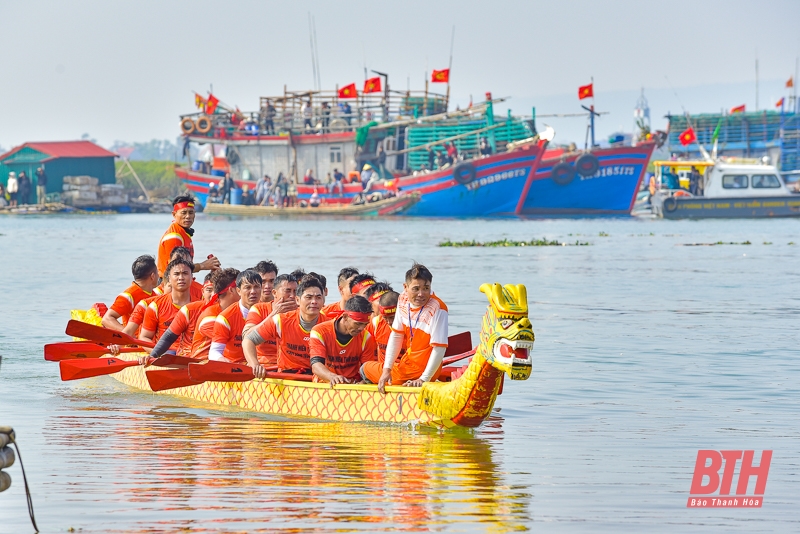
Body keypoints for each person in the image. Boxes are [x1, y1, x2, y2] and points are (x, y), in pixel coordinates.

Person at [361, 263, 448, 392]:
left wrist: (423, 379)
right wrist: (387, 370)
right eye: (416, 288)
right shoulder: (402, 300)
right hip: (407, 366)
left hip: (421, 372)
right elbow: (396, 336)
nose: (421, 294)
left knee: (364, 368)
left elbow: (439, 348)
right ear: (405, 287)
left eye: (426, 288)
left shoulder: (438, 308)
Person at [243, 275, 327, 377]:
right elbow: (248, 339)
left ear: (324, 301)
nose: (314, 302)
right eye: (309, 298)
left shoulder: (330, 325)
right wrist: (254, 364)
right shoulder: (281, 320)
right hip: (287, 376)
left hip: (318, 376)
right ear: (298, 300)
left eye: (318, 298)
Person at [309, 295, 377, 385]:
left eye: (365, 324)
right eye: (358, 324)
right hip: (325, 382)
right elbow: (316, 365)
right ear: (345, 316)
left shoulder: (366, 337)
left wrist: (364, 381)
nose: (361, 328)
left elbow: (367, 370)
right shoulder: (319, 331)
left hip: (352, 384)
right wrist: (332, 377)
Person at [146, 272, 213, 359]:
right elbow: (167, 337)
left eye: (218, 291)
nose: (214, 295)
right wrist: (153, 356)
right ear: (203, 292)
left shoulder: (229, 312)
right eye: (209, 290)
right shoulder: (188, 310)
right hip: (183, 355)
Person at [139, 258, 194, 357]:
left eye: (185, 273)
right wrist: (158, 354)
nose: (181, 277)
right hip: (167, 354)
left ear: (192, 277)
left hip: (191, 354)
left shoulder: (201, 305)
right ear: (169, 278)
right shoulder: (155, 307)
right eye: (176, 274)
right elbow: (144, 337)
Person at [156, 195, 220, 278]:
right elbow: (177, 268)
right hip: (168, 284)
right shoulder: (174, 236)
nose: (188, 216)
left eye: (191, 212)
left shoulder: (184, 232)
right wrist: (203, 266)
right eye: (183, 212)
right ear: (174, 214)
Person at [242, 273, 298, 367]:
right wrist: (273, 315)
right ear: (274, 293)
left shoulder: (302, 312)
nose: (292, 296)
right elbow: (246, 336)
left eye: (295, 291)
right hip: (263, 366)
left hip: (290, 367)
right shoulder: (259, 309)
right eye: (288, 291)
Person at [209, 270, 262, 363]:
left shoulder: (270, 311)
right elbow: (214, 352)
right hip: (236, 367)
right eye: (248, 287)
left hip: (264, 366)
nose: (253, 291)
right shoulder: (225, 317)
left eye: (257, 287)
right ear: (238, 291)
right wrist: (222, 360)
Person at [189, 268, 240, 360]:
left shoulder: (236, 311)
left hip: (227, 361)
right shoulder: (210, 316)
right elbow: (236, 342)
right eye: (241, 287)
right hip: (202, 363)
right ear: (232, 290)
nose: (245, 292)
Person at [102, 255, 160, 331]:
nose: (159, 275)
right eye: (157, 272)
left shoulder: (156, 295)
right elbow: (106, 319)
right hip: (134, 341)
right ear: (152, 276)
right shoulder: (128, 296)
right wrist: (128, 335)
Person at [368, 290, 407, 365]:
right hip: (382, 371)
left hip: (404, 371)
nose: (389, 322)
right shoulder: (376, 323)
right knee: (364, 368)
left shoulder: (413, 327)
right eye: (385, 318)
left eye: (393, 317)